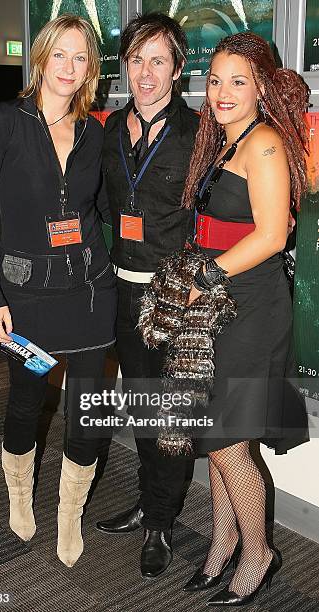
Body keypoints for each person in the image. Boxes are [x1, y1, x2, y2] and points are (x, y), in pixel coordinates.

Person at [0, 14, 116, 568]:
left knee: (89, 409)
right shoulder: (4, 122)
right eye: (61, 54)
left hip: (89, 295)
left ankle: (69, 513)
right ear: (41, 57)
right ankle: (19, 495)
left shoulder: (94, 132)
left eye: (81, 58)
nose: (70, 68)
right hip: (25, 299)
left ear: (90, 69)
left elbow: (96, 212)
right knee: (28, 401)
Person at [180, 32, 309, 606]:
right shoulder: (227, 144)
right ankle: (222, 545)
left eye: (238, 80)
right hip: (222, 305)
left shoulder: (265, 146)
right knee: (216, 439)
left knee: (229, 443)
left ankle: (258, 554)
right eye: (215, 80)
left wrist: (202, 281)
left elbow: (273, 235)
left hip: (252, 310)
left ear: (261, 86)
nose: (223, 92)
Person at [96, 13, 199, 579]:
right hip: (122, 292)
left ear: (179, 69)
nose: (146, 73)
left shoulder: (197, 135)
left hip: (173, 301)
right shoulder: (110, 129)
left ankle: (161, 520)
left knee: (170, 418)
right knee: (139, 404)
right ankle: (145, 501)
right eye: (137, 59)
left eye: (159, 60)